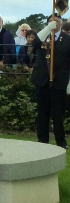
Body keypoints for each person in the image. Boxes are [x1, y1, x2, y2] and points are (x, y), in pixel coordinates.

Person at [31, 15, 70, 149]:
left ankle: (61, 142)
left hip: (58, 81)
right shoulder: (44, 35)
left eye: (57, 21)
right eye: (50, 22)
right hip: (42, 80)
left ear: (61, 23)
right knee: (43, 113)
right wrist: (48, 28)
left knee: (58, 113)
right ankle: (43, 141)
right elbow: (35, 44)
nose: (54, 23)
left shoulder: (67, 39)